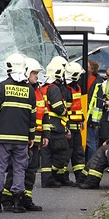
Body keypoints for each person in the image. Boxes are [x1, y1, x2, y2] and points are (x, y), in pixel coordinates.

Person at [0, 53, 36, 214]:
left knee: (0, 168)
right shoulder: (29, 91)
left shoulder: (2, 87)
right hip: (21, 139)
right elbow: (32, 117)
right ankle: (18, 202)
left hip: (3, 137)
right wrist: (31, 137)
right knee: (19, 169)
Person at [1, 57, 48, 212]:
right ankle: (8, 199)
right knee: (17, 168)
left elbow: (44, 114)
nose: (36, 76)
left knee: (31, 169)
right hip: (25, 137)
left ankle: (25, 198)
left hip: (36, 136)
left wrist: (45, 134)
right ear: (26, 72)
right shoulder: (24, 90)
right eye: (34, 73)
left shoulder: (39, 91)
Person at [39, 56, 71, 188]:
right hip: (56, 126)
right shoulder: (54, 88)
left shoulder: (43, 86)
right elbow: (58, 107)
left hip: (47, 125)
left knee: (46, 153)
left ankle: (47, 179)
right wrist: (65, 112)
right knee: (61, 151)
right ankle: (52, 176)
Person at [63, 61, 86, 185]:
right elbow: (65, 111)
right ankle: (64, 177)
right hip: (69, 128)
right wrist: (66, 127)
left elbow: (79, 106)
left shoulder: (77, 88)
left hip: (77, 126)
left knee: (78, 153)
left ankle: (80, 178)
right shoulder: (66, 90)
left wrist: (81, 119)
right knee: (67, 153)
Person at [85, 60, 104, 161]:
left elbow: (98, 103)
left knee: (91, 142)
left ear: (92, 69)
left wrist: (94, 120)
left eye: (87, 66)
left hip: (92, 118)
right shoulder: (82, 79)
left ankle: (91, 163)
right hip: (82, 115)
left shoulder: (98, 82)